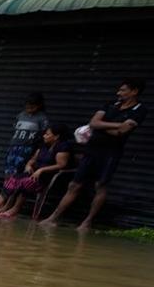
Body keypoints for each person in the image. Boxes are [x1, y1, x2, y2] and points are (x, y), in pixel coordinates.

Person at [44, 78, 143, 230]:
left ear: (134, 91)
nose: (119, 93)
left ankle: (87, 222)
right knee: (74, 184)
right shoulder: (110, 104)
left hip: (110, 153)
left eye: (123, 90)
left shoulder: (140, 109)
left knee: (100, 185)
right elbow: (94, 123)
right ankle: (53, 217)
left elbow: (123, 131)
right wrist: (115, 126)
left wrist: (103, 127)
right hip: (91, 150)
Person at [0, 121, 72, 220]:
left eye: (47, 134)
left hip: (46, 177)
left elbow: (61, 164)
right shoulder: (44, 146)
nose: (44, 136)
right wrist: (28, 165)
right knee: (11, 180)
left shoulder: (63, 147)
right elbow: (33, 159)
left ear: (56, 136)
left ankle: (15, 209)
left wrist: (42, 170)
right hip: (33, 173)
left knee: (26, 183)